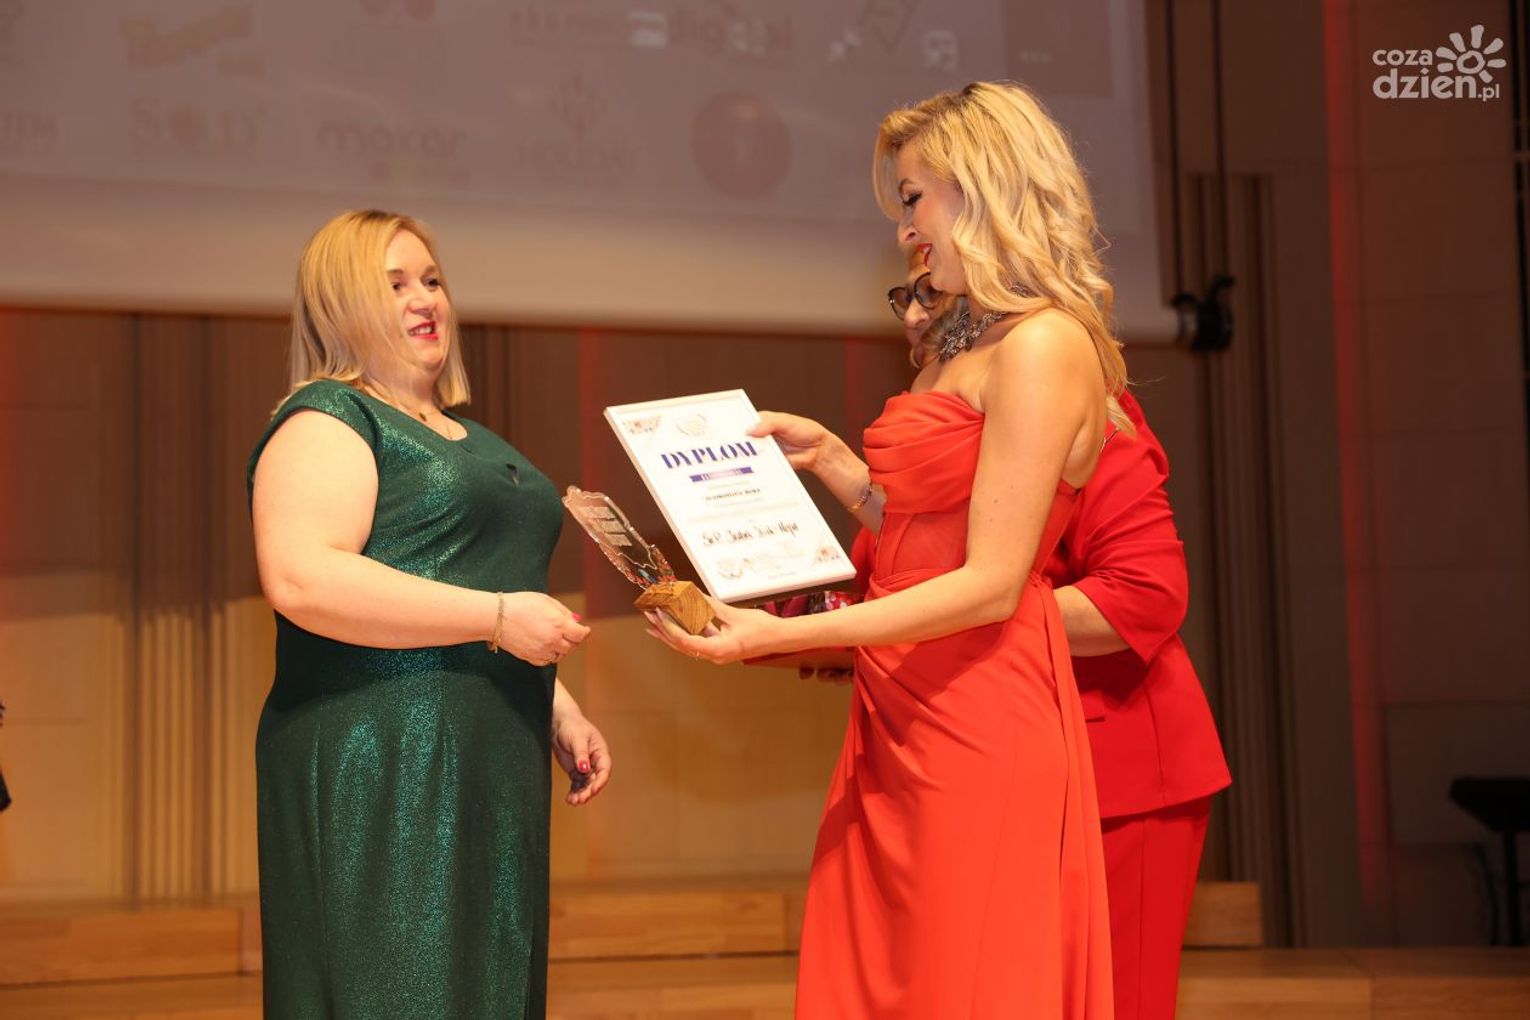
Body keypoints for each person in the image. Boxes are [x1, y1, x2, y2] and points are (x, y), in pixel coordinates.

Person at [648, 82, 1118, 1016]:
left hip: (978, 714)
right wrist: (835, 463)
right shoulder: (961, 342)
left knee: (963, 985)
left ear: (982, 185)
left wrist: (779, 636)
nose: (903, 228)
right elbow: (924, 536)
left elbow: (990, 584)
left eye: (913, 198)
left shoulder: (1044, 346)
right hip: (897, 708)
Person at [248, 209, 610, 1018]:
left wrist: (556, 704)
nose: (426, 300)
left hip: (488, 761)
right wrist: (498, 618)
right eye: (394, 285)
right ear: (341, 303)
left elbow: (474, 583)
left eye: (433, 280)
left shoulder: (471, 437)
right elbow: (302, 578)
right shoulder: (329, 417)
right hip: (385, 763)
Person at [895, 253, 1232, 1019]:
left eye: (929, 293)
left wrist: (959, 617)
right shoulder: (953, 433)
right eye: (903, 296)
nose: (914, 316)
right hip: (994, 764)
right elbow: (911, 583)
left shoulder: (1080, 406)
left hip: (1118, 770)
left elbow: (1143, 594)